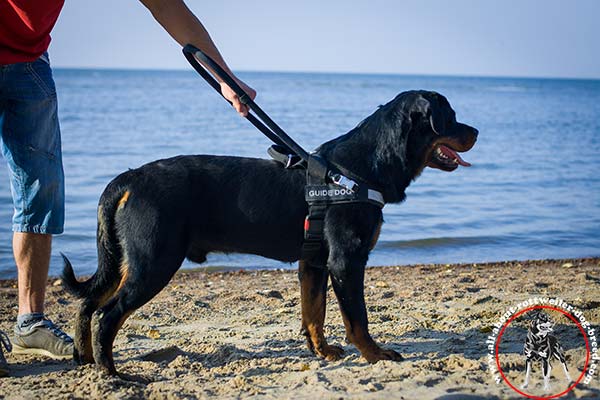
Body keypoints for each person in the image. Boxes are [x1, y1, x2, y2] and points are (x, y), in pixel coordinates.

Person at [0, 0, 255, 377]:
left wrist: (224, 77)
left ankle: (30, 322)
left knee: (41, 192)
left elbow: (166, 5)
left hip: (29, 62)